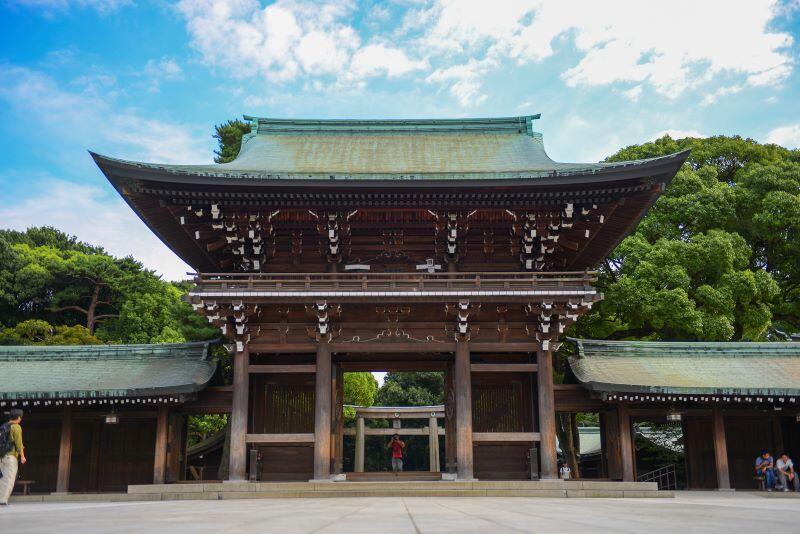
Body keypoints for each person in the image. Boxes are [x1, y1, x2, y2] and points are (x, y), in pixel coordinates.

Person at [0, 409, 26, 506]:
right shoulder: (16, 427)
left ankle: (1, 498)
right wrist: (22, 457)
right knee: (9, 478)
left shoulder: (3, 426)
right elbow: (19, 444)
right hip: (10, 456)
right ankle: (3, 500)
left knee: (2, 479)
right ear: (19, 418)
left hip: (1, 457)